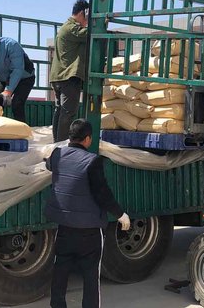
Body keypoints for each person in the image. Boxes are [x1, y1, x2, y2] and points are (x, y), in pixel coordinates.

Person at [45, 119, 130, 308]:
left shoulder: (57, 154)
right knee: (91, 275)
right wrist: (120, 214)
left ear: (70, 137)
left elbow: (49, 165)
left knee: (60, 270)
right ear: (87, 139)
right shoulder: (92, 161)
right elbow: (102, 194)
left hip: (65, 227)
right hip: (89, 231)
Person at [50, 0, 89, 142]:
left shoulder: (65, 27)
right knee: (67, 113)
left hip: (59, 76)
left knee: (60, 111)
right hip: (68, 77)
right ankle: (61, 144)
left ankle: (57, 143)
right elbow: (91, 33)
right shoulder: (72, 28)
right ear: (82, 13)